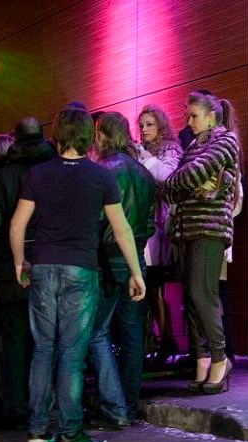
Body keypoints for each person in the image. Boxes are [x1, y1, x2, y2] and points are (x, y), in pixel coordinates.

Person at [10, 108, 145, 442]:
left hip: (42, 268)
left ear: (57, 135)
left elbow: (17, 225)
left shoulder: (39, 174)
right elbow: (121, 228)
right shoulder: (101, 177)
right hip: (80, 271)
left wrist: (18, 263)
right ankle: (71, 434)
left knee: (42, 350)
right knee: (71, 353)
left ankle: (39, 429)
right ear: (89, 136)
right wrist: (135, 272)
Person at [163, 92, 241, 395]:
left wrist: (186, 182)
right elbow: (172, 187)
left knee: (202, 293)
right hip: (186, 229)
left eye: (194, 115)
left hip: (210, 228)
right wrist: (189, 184)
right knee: (191, 300)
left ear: (211, 116)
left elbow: (191, 174)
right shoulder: (193, 145)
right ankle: (202, 359)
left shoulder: (225, 141)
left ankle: (221, 359)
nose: (188, 121)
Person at [0, 116, 55, 429]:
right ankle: (44, 403)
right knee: (47, 336)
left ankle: (14, 405)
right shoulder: (54, 171)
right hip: (51, 257)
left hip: (12, 261)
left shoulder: (4, 174)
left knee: (13, 336)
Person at [91, 112, 156, 424]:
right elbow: (151, 223)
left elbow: (97, 221)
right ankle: (128, 405)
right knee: (132, 337)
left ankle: (112, 404)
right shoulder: (143, 173)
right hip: (136, 259)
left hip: (106, 260)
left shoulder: (101, 171)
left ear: (102, 135)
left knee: (97, 333)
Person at [136, 104, 184, 364]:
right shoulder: (141, 150)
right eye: (141, 125)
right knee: (150, 285)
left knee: (157, 284)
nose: (144, 130)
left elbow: (168, 177)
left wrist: (144, 158)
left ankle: (167, 339)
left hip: (163, 220)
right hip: (145, 221)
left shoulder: (170, 148)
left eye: (149, 124)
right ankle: (156, 339)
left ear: (161, 125)